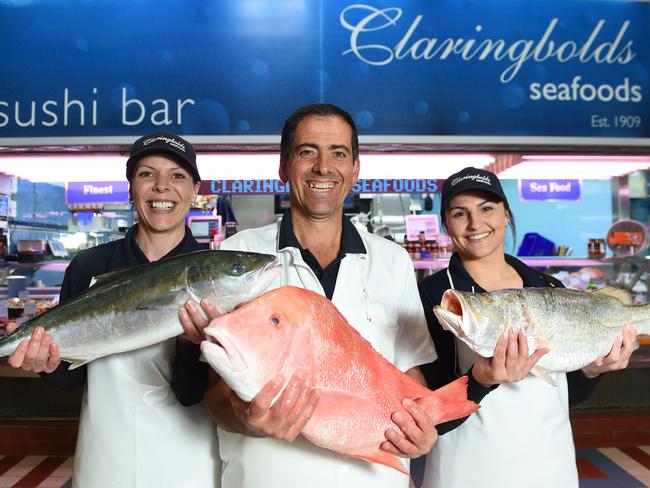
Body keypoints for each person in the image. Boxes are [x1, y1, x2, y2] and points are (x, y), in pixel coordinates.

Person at [177, 103, 439, 487]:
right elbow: (213, 394)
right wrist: (245, 417)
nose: (323, 166)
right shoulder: (236, 256)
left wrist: (421, 427)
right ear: (284, 167)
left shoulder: (392, 261)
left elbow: (411, 374)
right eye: (307, 152)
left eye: (338, 153)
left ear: (355, 169)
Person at [7, 131, 221, 488]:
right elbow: (71, 376)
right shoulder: (90, 265)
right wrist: (45, 363)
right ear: (131, 187)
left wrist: (190, 345)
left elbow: (195, 393)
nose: (161, 187)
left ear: (195, 190)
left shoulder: (213, 274)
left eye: (177, 176)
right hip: (104, 460)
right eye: (147, 174)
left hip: (190, 463)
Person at [418, 166, 637, 488]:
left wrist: (594, 370)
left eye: (487, 209)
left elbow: (564, 394)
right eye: (460, 213)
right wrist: (482, 379)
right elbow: (427, 414)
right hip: (468, 473)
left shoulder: (549, 287)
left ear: (506, 214)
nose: (476, 223)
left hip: (552, 468)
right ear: (446, 223)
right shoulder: (435, 296)